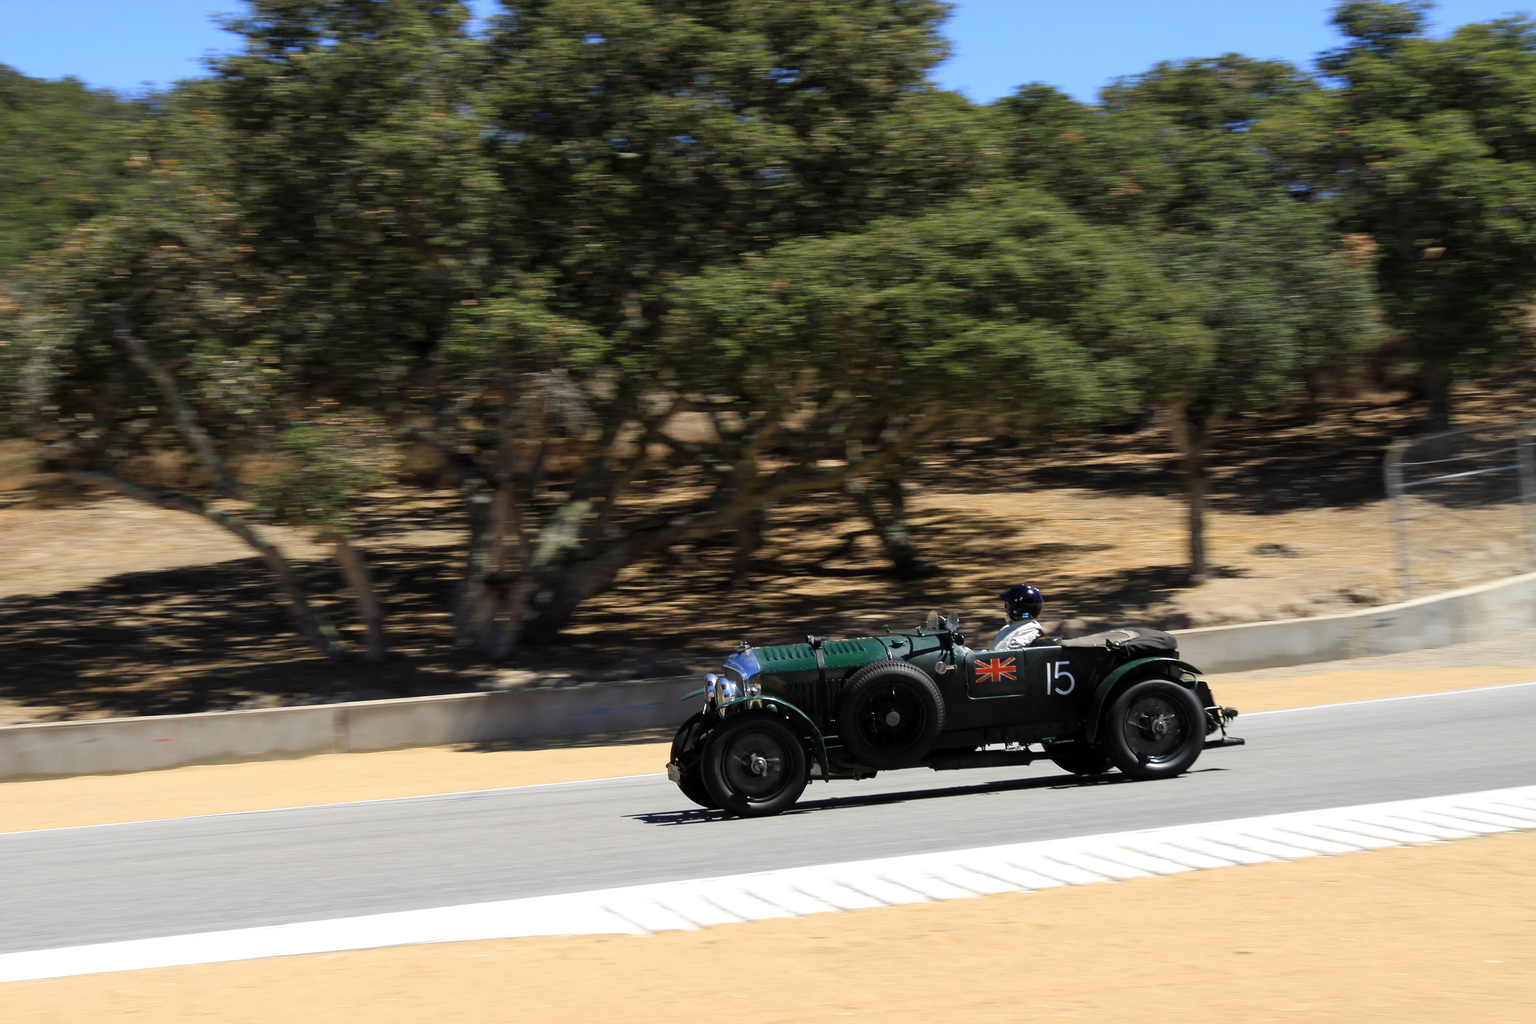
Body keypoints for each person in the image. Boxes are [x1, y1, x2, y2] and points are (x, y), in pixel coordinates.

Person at [992, 584, 1045, 650]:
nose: (1005, 610)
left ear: (1018, 610)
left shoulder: (1030, 631)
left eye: (1007, 606)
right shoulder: (1007, 628)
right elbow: (992, 653)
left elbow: (1010, 655)